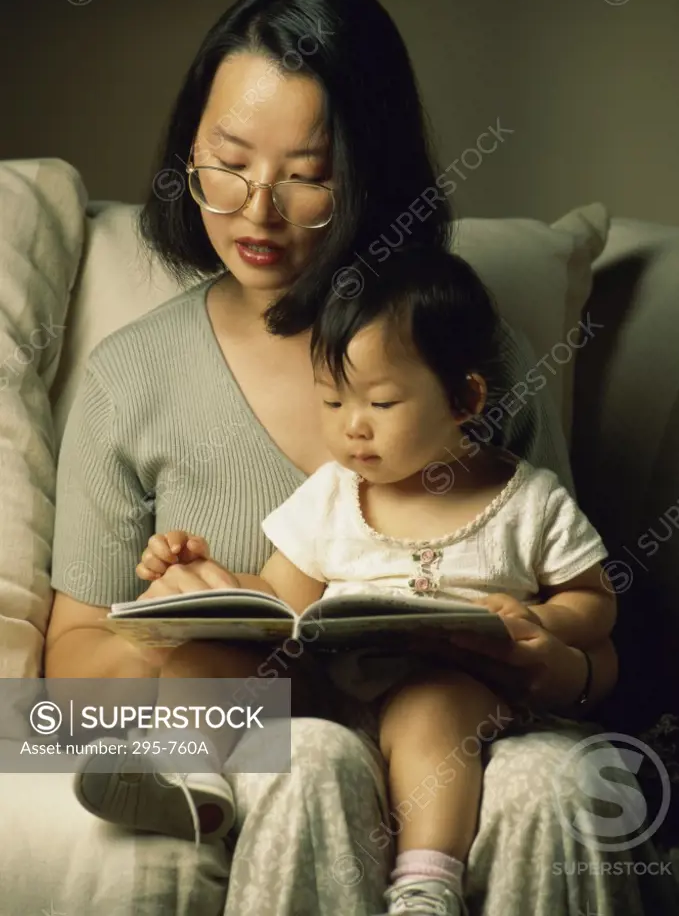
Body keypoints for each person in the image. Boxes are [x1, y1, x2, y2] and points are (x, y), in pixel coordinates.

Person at [45, 0, 645, 916]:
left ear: (371, 172)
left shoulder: (475, 357)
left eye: (308, 175)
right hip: (267, 734)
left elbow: (592, 639)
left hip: (467, 727)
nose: (257, 209)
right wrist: (191, 628)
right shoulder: (132, 377)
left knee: (556, 786)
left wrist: (551, 659)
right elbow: (66, 660)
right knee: (309, 756)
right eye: (226, 162)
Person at [88, 245, 617, 916]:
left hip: (456, 691)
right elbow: (283, 599)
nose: (351, 428)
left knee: (430, 703)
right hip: (332, 693)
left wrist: (546, 622)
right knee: (202, 659)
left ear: (464, 399)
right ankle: (192, 782)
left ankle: (428, 880)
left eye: (382, 401)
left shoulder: (525, 500)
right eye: (332, 401)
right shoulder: (335, 492)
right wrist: (206, 581)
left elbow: (593, 598)